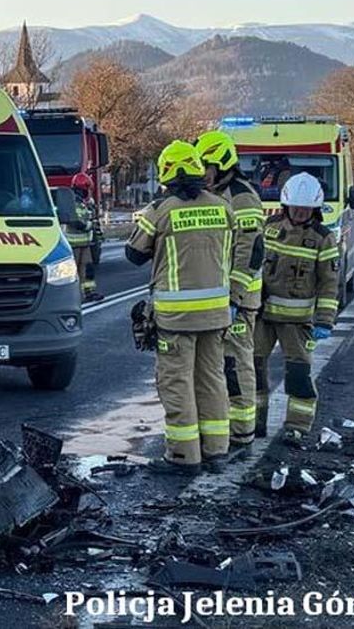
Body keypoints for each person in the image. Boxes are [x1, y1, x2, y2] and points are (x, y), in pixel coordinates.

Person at [126, 141, 234, 475]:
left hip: (176, 318)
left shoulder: (160, 210)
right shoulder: (222, 207)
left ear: (168, 172)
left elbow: (134, 253)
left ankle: (184, 456)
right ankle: (216, 450)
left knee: (177, 384)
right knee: (212, 380)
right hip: (216, 314)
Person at [254, 172, 339, 446]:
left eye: (306, 209)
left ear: (314, 209)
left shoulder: (323, 239)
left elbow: (329, 283)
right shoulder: (268, 227)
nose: (300, 213)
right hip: (262, 316)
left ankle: (297, 427)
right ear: (286, 205)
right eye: (296, 208)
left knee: (299, 376)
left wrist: (325, 321)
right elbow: (251, 266)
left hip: (298, 322)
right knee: (252, 369)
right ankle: (253, 422)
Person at [196, 130, 266, 448]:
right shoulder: (215, 195)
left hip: (238, 298)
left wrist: (235, 295)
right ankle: (222, 425)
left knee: (236, 365)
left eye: (206, 167)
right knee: (217, 365)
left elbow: (250, 251)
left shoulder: (242, 196)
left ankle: (242, 429)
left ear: (221, 164)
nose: (202, 174)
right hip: (219, 298)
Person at [65, 173, 103, 302]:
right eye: (87, 189)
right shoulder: (70, 202)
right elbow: (74, 221)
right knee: (71, 271)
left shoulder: (83, 203)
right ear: (83, 188)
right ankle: (69, 296)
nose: (89, 193)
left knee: (88, 269)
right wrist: (89, 225)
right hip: (73, 244)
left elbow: (90, 217)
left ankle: (89, 293)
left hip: (85, 243)